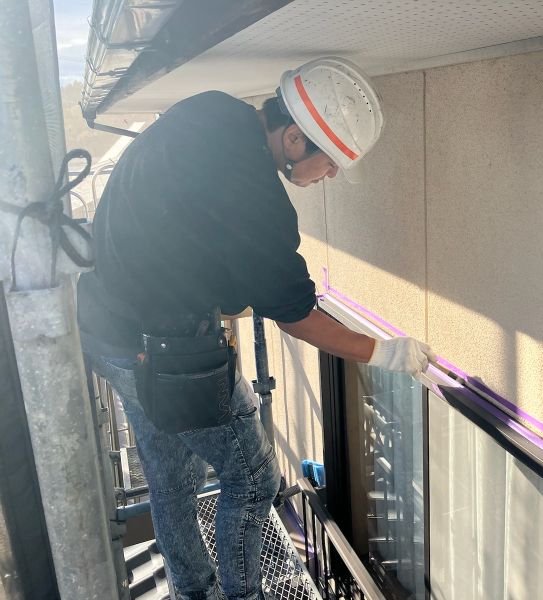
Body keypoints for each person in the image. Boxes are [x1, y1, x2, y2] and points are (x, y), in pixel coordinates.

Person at [78, 57, 433, 600]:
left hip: (108, 331)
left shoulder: (210, 111)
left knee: (172, 480)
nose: (331, 175)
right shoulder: (259, 202)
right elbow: (297, 316)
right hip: (166, 350)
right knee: (253, 478)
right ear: (294, 139)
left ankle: (193, 592)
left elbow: (187, 229)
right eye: (330, 161)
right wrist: (384, 353)